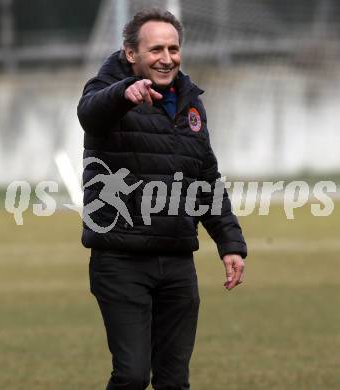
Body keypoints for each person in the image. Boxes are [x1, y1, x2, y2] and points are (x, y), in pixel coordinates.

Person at [77, 8, 247, 390]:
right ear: (130, 54)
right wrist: (123, 93)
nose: (167, 58)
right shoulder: (107, 93)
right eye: (156, 49)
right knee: (132, 376)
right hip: (120, 262)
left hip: (176, 261)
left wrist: (229, 243)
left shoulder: (190, 104)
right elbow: (90, 114)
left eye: (173, 48)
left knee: (174, 381)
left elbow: (205, 178)